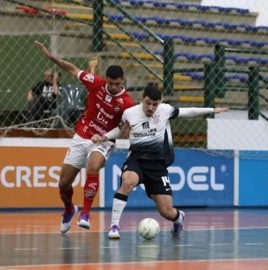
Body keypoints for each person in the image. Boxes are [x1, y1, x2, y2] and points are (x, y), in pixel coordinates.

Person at [92, 84, 229, 239]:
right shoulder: (129, 113)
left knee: (166, 211)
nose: (151, 107)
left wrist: (211, 110)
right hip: (136, 160)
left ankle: (178, 218)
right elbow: (120, 129)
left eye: (155, 104)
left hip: (157, 166)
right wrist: (104, 137)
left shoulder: (165, 110)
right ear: (142, 100)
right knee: (127, 181)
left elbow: (188, 111)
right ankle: (114, 226)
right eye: (148, 103)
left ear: (160, 102)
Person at [34, 41, 135, 233]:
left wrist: (113, 135)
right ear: (106, 79)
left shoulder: (127, 103)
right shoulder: (96, 83)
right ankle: (69, 209)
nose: (113, 87)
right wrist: (50, 55)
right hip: (82, 136)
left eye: (118, 84)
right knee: (63, 183)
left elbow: (125, 132)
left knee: (93, 165)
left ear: (123, 81)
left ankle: (86, 214)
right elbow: (71, 68)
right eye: (111, 83)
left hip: (103, 142)